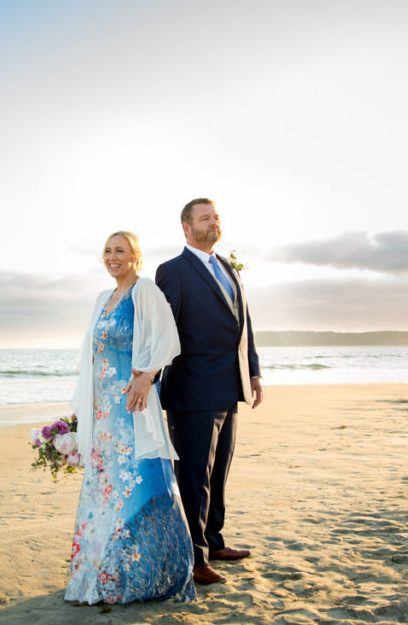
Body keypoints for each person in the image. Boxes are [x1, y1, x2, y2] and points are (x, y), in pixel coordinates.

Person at [65, 231, 196, 605]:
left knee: (140, 480)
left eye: (119, 250)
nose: (112, 257)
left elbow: (168, 339)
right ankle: (103, 572)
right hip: (104, 413)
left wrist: (147, 376)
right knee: (106, 487)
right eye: (107, 251)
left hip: (132, 407)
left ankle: (149, 575)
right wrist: (82, 406)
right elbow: (92, 356)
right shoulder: (102, 299)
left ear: (135, 255)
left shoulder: (145, 291)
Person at [155, 198, 263, 586]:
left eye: (216, 217)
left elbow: (243, 324)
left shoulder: (227, 268)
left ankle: (214, 542)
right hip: (192, 391)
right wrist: (148, 379)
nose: (213, 222)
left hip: (229, 387)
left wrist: (253, 372)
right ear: (186, 228)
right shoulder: (172, 271)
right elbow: (164, 332)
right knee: (194, 477)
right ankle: (195, 557)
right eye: (205, 218)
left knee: (218, 474)